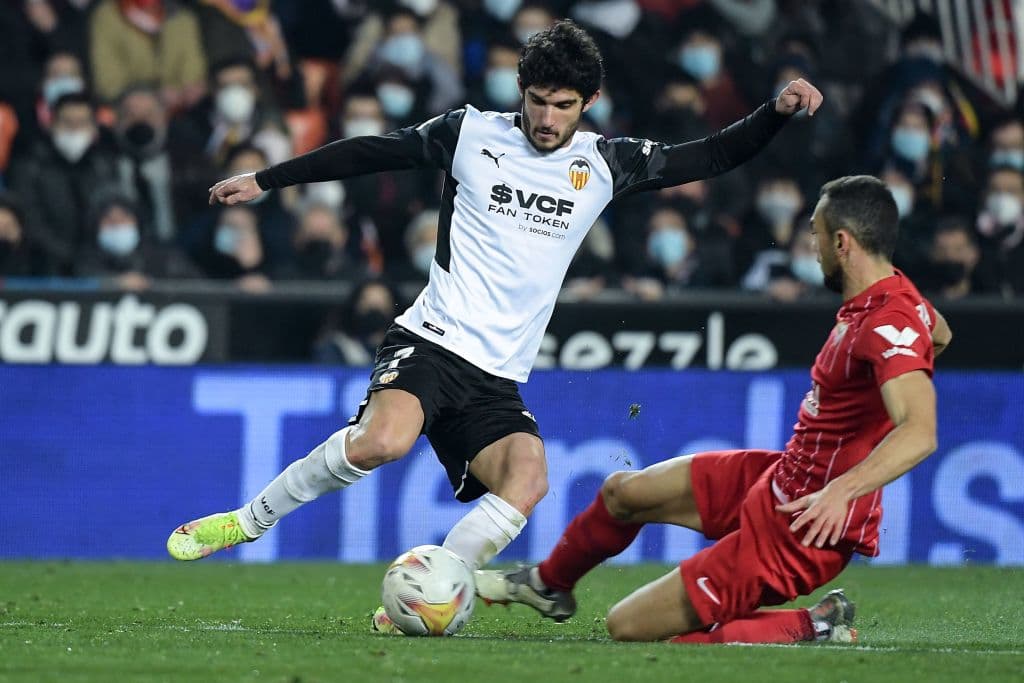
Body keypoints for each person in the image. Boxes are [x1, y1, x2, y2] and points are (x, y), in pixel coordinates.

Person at [166, 20, 822, 603]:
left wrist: (774, 112)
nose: (547, 118)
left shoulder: (605, 163)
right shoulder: (469, 133)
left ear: (589, 102)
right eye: (538, 100)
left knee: (528, 480)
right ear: (521, 91)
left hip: (497, 375)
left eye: (563, 105)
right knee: (383, 441)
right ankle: (246, 521)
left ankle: (434, 591)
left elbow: (709, 156)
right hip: (432, 340)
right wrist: (267, 179)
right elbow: (370, 151)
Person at [475, 175, 952, 645]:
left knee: (630, 627)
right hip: (784, 477)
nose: (813, 247)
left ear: (843, 242)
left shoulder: (888, 321)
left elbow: (919, 432)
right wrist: (876, 405)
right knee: (623, 493)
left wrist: (842, 489)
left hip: (806, 525)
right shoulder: (896, 305)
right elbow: (939, 334)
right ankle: (549, 585)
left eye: (817, 234)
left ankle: (817, 625)